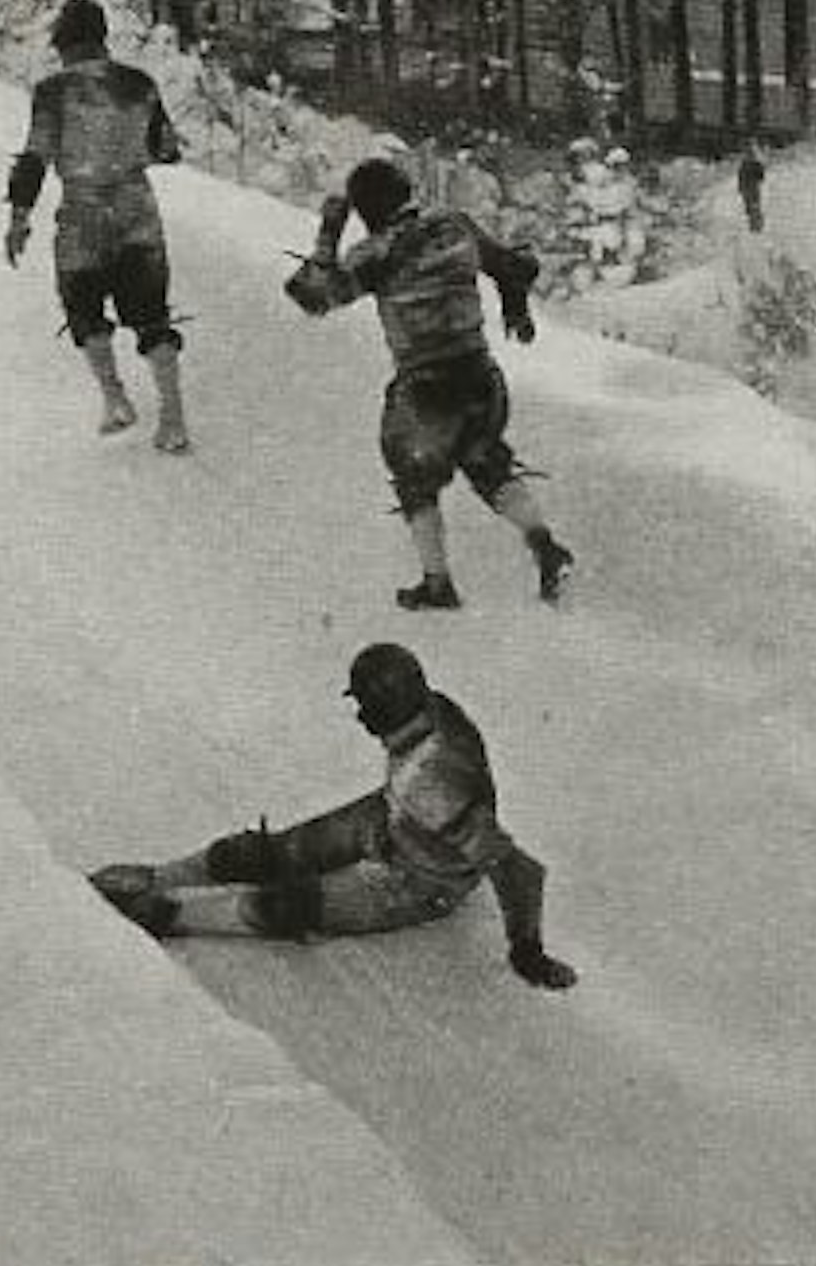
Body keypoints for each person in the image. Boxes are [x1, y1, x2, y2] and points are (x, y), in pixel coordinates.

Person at [89, 642, 578, 990]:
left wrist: (527, 950)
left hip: (422, 879)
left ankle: (168, 911)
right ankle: (160, 877)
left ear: (384, 709)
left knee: (289, 905)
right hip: (396, 820)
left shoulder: (429, 782)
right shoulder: (435, 711)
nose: (358, 715)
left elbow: (516, 867)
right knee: (271, 853)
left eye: (364, 705)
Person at [283, 157, 574, 610]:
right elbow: (514, 266)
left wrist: (328, 235)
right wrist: (516, 310)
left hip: (425, 388)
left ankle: (437, 582)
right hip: (481, 376)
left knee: (414, 476)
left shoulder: (374, 254)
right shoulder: (454, 226)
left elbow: (313, 298)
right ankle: (542, 541)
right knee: (487, 463)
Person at [4, 0, 190, 453]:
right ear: (102, 37)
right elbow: (167, 148)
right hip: (136, 208)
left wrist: (19, 216)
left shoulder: (53, 92)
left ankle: (115, 399)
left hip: (82, 215)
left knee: (84, 308)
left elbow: (35, 156)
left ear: (63, 42)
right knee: (151, 315)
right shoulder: (139, 84)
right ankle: (173, 417)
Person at [737, 144, 766, 234]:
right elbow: (761, 177)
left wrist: (740, 187)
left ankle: (756, 225)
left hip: (750, 187)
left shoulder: (746, 164)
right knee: (753, 205)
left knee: (752, 205)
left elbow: (741, 177)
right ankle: (756, 225)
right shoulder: (752, 164)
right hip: (752, 187)